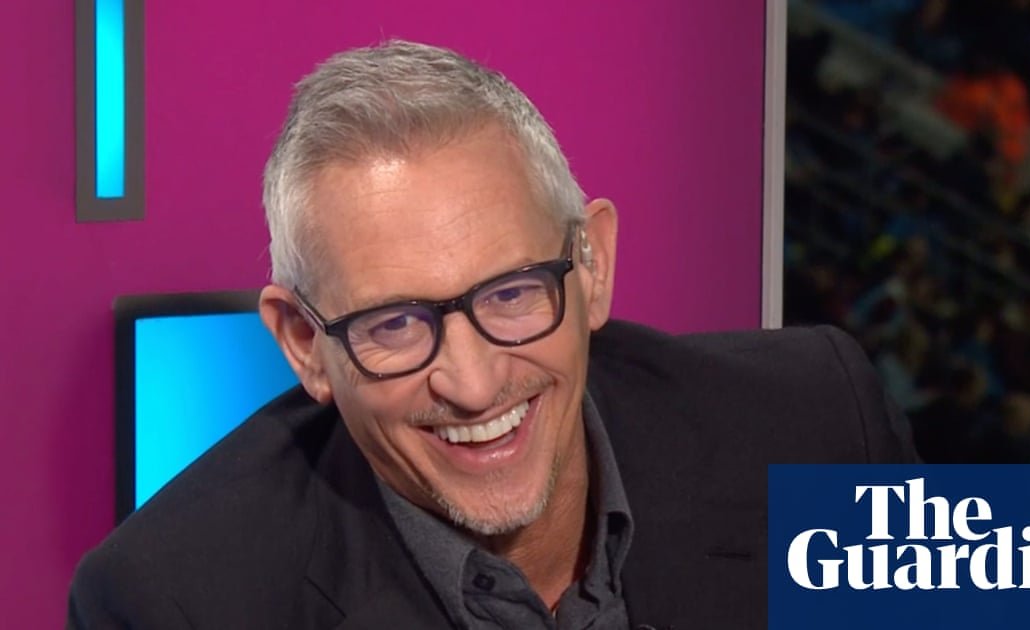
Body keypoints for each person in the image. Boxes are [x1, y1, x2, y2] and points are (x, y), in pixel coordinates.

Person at [67, 40, 919, 629]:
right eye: (394, 324)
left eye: (512, 294)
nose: (473, 385)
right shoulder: (172, 603)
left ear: (591, 265)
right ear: (303, 345)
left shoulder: (815, 420)